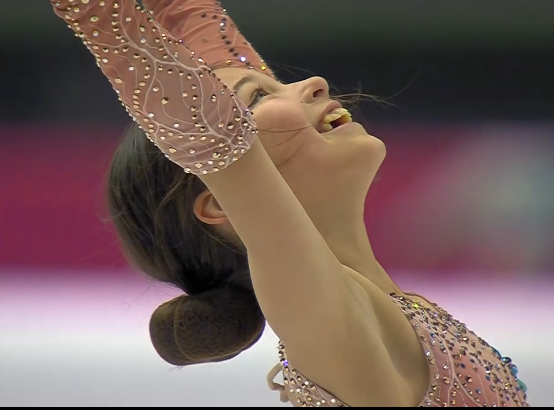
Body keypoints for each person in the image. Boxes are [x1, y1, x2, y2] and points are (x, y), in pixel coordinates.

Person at [49, 0, 529, 407]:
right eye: (260, 96)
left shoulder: (379, 306)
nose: (315, 83)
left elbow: (191, 17)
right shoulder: (321, 310)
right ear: (220, 201)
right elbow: (204, 126)